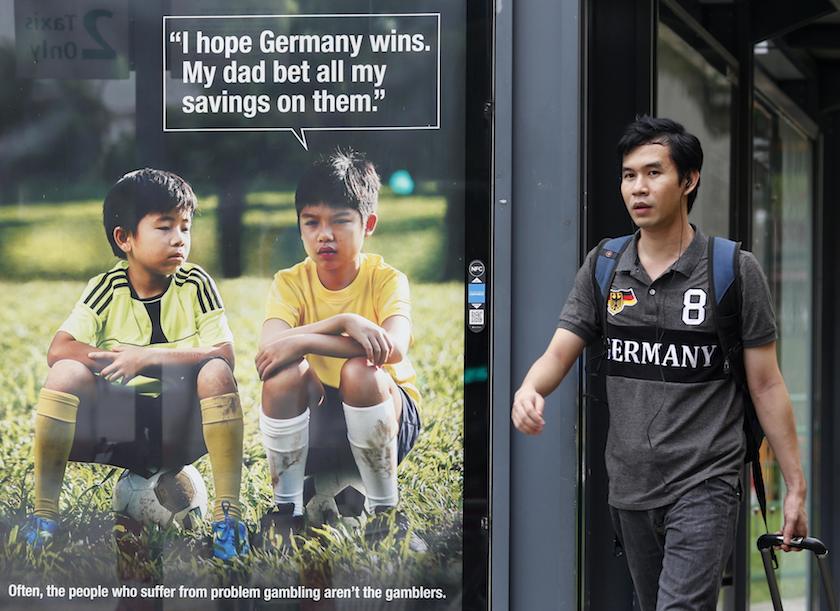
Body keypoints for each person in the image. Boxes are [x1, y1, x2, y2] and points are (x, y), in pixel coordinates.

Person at [511, 116, 807, 610]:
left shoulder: (732, 270)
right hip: (629, 489)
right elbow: (560, 349)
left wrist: (794, 486)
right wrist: (530, 389)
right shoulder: (605, 265)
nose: (637, 188)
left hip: (705, 482)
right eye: (629, 175)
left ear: (688, 181)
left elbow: (767, 386)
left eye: (653, 173)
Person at [22, 169, 250, 561]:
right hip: (123, 426)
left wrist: (147, 358)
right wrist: (116, 361)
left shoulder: (196, 283)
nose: (179, 238)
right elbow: (59, 349)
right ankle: (45, 519)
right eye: (165, 227)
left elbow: (224, 353)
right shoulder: (106, 287)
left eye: (185, 227)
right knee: (65, 373)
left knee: (215, 371)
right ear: (124, 238)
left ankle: (227, 519)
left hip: (183, 425)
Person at [255, 149, 423, 549]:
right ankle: (286, 513)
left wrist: (304, 338)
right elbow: (268, 354)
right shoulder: (290, 281)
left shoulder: (386, 280)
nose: (323, 235)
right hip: (318, 423)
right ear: (299, 227)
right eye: (311, 223)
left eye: (340, 221)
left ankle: (387, 514)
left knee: (361, 370)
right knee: (282, 374)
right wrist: (342, 322)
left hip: (388, 416)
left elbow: (393, 348)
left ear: (369, 224)